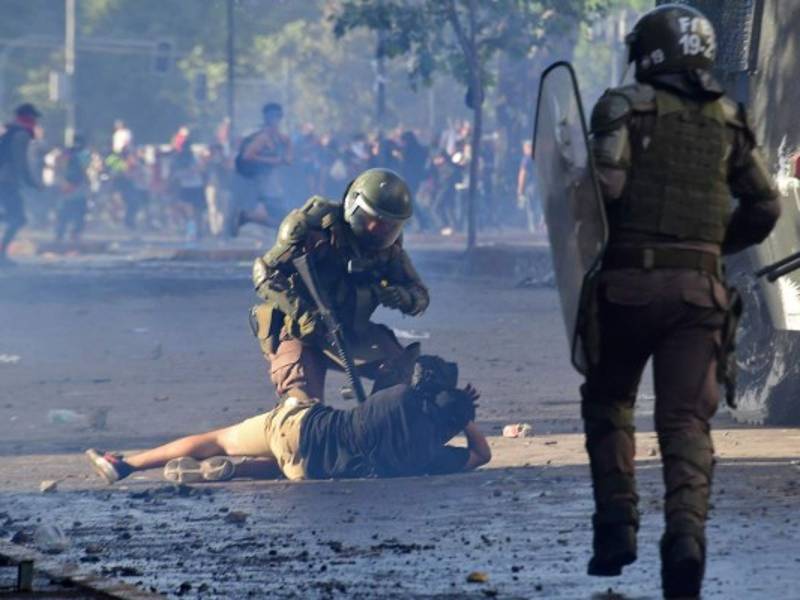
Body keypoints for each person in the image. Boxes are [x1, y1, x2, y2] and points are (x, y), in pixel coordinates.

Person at [581, 5, 780, 598]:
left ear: (650, 52)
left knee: (611, 401)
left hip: (629, 287)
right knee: (687, 421)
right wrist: (713, 244)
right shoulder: (730, 118)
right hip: (700, 292)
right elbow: (766, 207)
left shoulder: (623, 106)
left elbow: (605, 186)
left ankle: (616, 526)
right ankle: (686, 540)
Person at [85, 355, 491, 483]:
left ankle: (127, 465)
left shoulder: (399, 396)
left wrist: (454, 402)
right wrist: (464, 419)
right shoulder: (427, 459)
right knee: (294, 466)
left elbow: (417, 386)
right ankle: (234, 474)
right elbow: (481, 455)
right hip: (311, 472)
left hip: (300, 427)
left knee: (220, 437)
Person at [250, 167, 429, 403]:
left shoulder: (388, 249)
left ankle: (376, 423)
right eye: (373, 220)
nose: (379, 230)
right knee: (303, 413)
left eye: (388, 225)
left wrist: (401, 297)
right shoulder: (313, 228)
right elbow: (264, 273)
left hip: (351, 332)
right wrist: (303, 313)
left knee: (403, 371)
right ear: (354, 205)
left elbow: (420, 296)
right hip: (299, 331)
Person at [229, 102, 292, 236]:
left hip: (274, 185)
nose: (275, 120)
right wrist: (272, 161)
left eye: (277, 116)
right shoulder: (262, 138)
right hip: (264, 184)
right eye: (273, 117)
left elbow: (288, 160)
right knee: (285, 221)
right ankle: (246, 217)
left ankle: (246, 217)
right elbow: (248, 156)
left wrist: (285, 152)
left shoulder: (281, 138)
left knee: (283, 221)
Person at [0, 103, 41, 264]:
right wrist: (31, 182)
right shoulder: (21, 135)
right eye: (34, 117)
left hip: (5, 181)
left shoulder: (10, 132)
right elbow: (20, 162)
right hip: (6, 181)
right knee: (18, 218)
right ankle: (1, 255)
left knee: (14, 217)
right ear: (28, 116)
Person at [54, 134, 91, 243]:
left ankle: (61, 236)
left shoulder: (65, 153)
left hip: (68, 188)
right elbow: (84, 170)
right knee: (78, 214)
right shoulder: (84, 154)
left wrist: (61, 183)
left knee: (65, 214)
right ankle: (73, 236)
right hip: (77, 187)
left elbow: (58, 168)